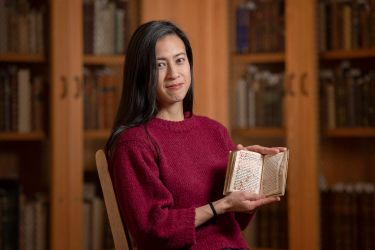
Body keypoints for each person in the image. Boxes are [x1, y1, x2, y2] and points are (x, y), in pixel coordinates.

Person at [106, 20, 286, 250]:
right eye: (159, 65)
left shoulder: (214, 131)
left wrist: (247, 173)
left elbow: (235, 223)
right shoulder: (134, 144)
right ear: (141, 74)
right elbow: (153, 230)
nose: (174, 74)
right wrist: (220, 206)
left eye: (180, 60)